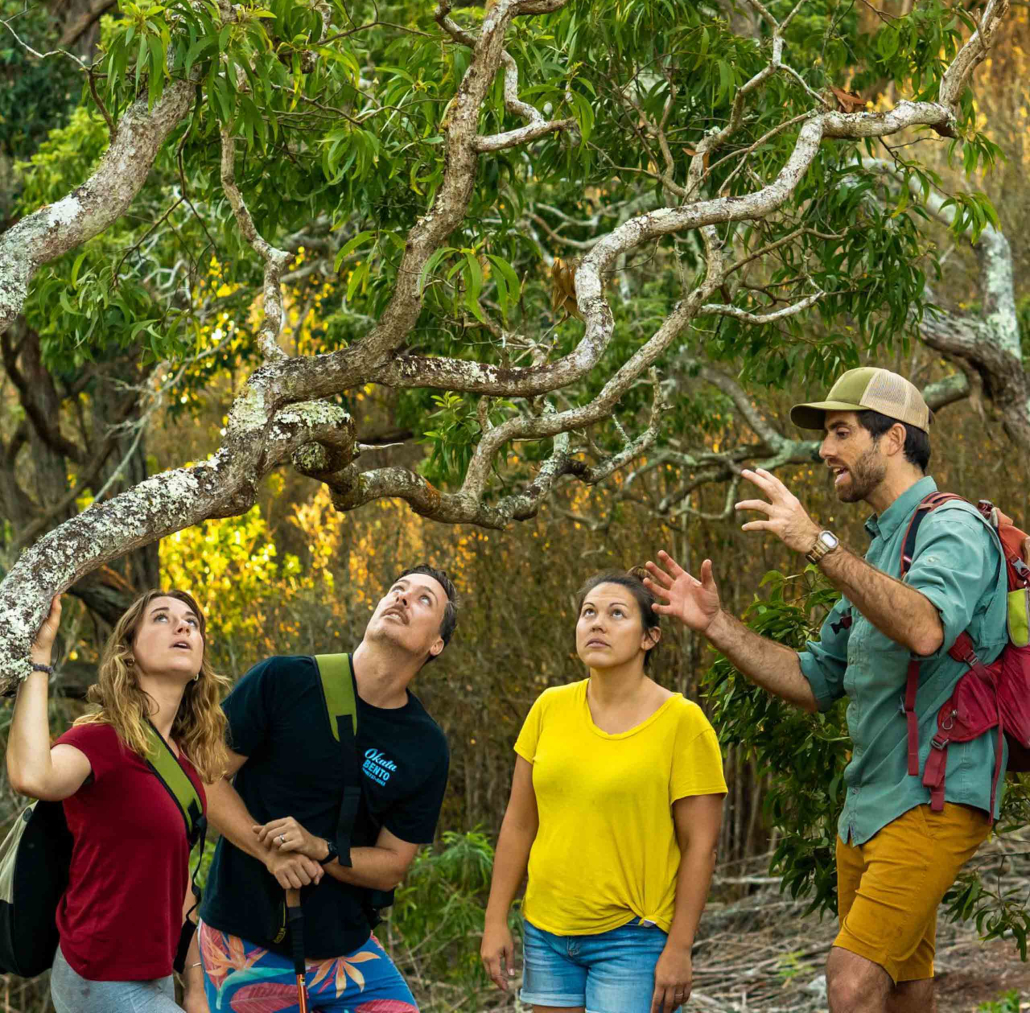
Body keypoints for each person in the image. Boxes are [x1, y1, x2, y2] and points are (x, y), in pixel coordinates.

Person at [644, 366, 1010, 1013]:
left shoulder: (951, 526)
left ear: (893, 438)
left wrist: (816, 542)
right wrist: (716, 624)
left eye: (841, 432)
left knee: (850, 980)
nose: (824, 450)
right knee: (901, 986)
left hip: (934, 794)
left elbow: (925, 627)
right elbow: (815, 681)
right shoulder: (876, 554)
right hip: (868, 806)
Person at [188, 564, 456, 1013]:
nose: (403, 598)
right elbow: (202, 774)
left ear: (436, 644)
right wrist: (268, 851)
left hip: (345, 954)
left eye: (424, 599)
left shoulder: (424, 746)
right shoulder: (284, 681)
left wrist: (320, 849)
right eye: (398, 588)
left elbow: (392, 865)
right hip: (244, 943)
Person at [480, 569, 726, 1013]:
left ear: (649, 638)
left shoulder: (683, 724)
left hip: (633, 939)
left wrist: (680, 947)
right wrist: (496, 919)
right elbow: (519, 823)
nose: (597, 623)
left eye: (617, 614)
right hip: (545, 932)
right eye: (588, 612)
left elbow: (700, 846)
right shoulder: (548, 708)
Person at [6, 590, 230, 1013]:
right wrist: (39, 659)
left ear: (200, 661)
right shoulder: (100, 740)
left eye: (192, 623)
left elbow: (177, 885)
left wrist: (197, 980)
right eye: (161, 618)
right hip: (96, 977)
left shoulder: (185, 766)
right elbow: (31, 775)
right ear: (128, 652)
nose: (183, 626)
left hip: (160, 977)